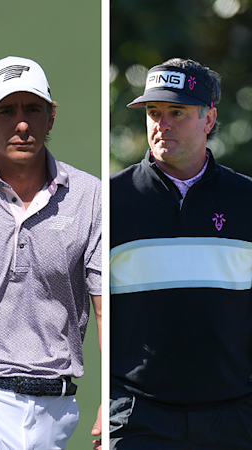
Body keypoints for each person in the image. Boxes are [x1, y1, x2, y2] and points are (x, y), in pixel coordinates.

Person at [0, 56, 103, 450]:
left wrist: (113, 395)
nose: (21, 124)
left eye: (33, 109)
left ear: (51, 118)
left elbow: (104, 307)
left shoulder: (91, 196)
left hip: (55, 410)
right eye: (6, 111)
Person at [110, 58, 252, 448]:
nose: (162, 124)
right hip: (137, 416)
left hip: (236, 417)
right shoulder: (110, 201)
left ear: (209, 119)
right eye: (154, 112)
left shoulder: (246, 199)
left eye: (177, 112)